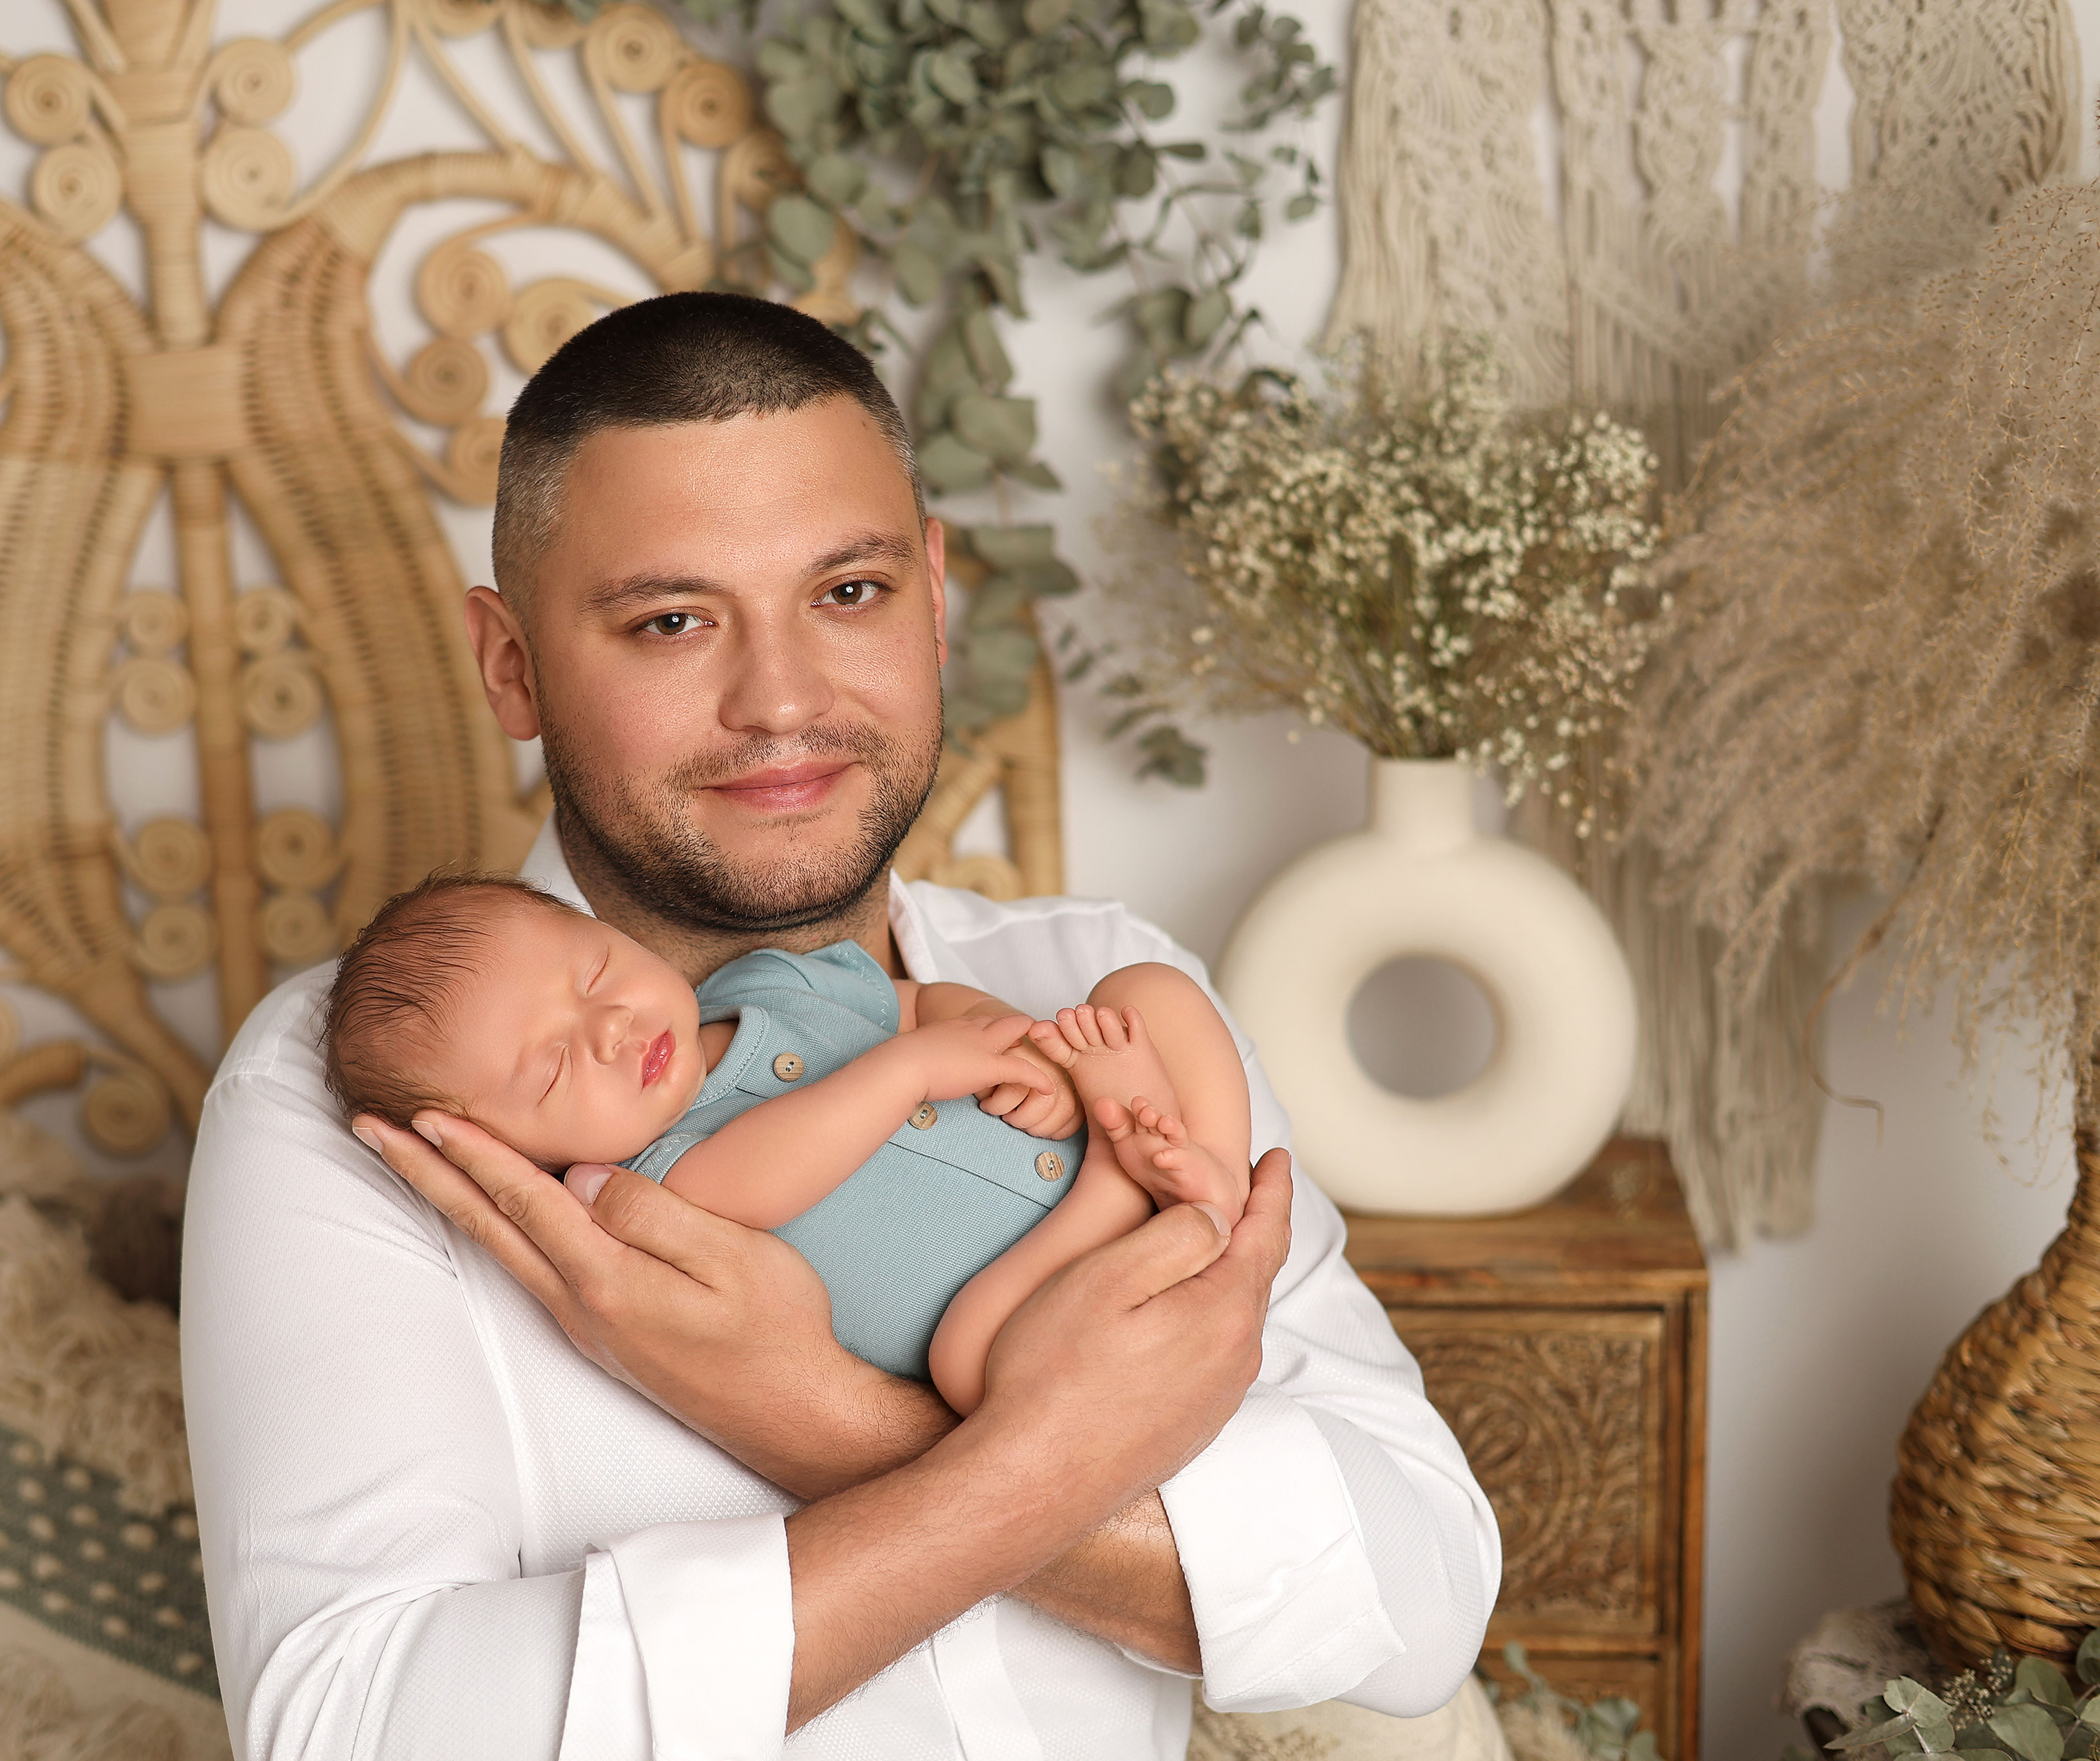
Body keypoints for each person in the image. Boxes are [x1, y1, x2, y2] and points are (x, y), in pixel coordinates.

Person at [180, 290, 1501, 1759]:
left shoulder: (1101, 987)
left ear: (934, 597)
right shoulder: (369, 1103)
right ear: (513, 666)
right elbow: (354, 1732)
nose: (782, 700)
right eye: (672, 621)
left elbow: (1425, 1594)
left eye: (849, 593)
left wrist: (827, 1421)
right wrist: (1017, 1474)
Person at [319, 872, 1254, 1414]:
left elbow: (916, 1002)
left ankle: (1197, 1172)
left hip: (1080, 1136)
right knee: (970, 1365)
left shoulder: (771, 984)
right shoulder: (648, 1190)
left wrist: (1015, 1047)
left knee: (1150, 993)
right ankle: (1140, 1193)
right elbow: (761, 1181)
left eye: (594, 973)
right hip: (1043, 1300)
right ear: (506, 1158)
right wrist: (912, 1070)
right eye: (554, 1068)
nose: (608, 1028)